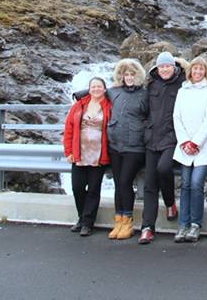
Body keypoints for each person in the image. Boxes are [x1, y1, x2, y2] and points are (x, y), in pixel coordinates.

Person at [139, 51, 186, 244]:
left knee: (164, 168)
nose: (165, 69)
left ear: (173, 67)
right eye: (161, 67)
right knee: (149, 184)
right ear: (157, 68)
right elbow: (142, 109)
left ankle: (169, 201)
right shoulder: (152, 85)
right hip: (152, 138)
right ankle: (147, 228)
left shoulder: (183, 84)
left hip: (173, 137)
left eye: (168, 66)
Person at [172, 57, 207, 243]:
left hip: (203, 146)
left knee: (196, 183)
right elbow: (177, 117)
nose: (198, 72)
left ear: (205, 71)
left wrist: (196, 142)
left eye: (201, 69)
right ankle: (183, 224)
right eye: (195, 69)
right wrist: (185, 141)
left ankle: (195, 224)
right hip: (185, 146)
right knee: (185, 185)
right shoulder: (182, 90)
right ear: (190, 71)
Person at [104, 59, 149, 240]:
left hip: (135, 146)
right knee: (118, 183)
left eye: (132, 74)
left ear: (137, 76)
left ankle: (128, 221)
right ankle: (119, 221)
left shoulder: (144, 94)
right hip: (115, 144)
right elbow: (98, 92)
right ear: (121, 76)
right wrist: (80, 94)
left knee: (125, 181)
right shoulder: (114, 92)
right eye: (126, 74)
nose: (129, 77)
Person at [63, 76, 112, 237]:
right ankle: (81, 217)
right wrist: (69, 151)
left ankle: (87, 223)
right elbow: (69, 129)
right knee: (77, 187)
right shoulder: (79, 105)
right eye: (93, 87)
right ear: (89, 89)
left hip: (98, 154)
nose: (96, 89)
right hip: (80, 153)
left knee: (93, 190)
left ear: (105, 89)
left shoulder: (109, 106)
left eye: (99, 86)